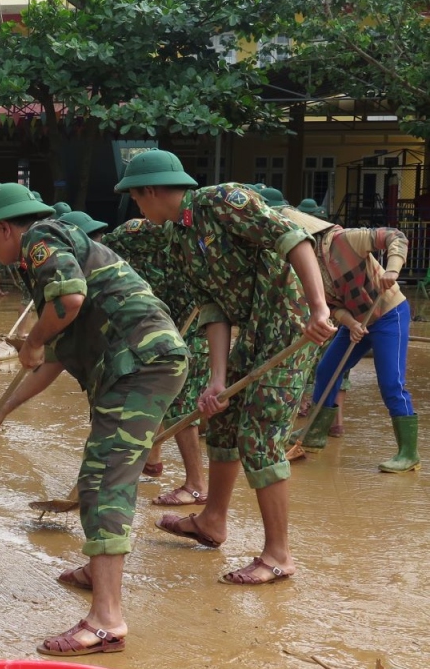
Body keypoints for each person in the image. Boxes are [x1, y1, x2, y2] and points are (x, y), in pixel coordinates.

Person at [0, 184, 188, 656]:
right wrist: (3, 410)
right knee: (101, 474)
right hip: (140, 364)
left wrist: (30, 339)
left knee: (104, 482)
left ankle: (106, 621)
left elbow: (67, 303)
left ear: (6, 227)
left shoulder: (41, 238)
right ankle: (98, 574)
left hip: (139, 363)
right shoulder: (52, 256)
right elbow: (55, 358)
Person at [116, 150, 335, 585]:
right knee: (220, 416)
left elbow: (295, 240)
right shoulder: (177, 239)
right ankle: (212, 519)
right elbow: (213, 308)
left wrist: (318, 308)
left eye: (136, 199)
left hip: (289, 324)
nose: (136, 208)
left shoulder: (224, 200)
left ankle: (278, 555)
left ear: (152, 191)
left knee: (260, 429)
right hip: (251, 331)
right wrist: (217, 379)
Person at [286, 210, 417, 471]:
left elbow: (395, 237)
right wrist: (352, 324)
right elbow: (332, 307)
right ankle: (314, 435)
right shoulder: (307, 269)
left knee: (391, 383)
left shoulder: (345, 240)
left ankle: (408, 453)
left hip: (389, 314)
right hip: (357, 320)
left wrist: (392, 270)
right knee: (327, 370)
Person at [102, 217, 210, 506]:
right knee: (155, 388)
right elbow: (107, 254)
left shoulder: (201, 238)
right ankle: (153, 458)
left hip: (192, 330)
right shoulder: (134, 232)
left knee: (182, 408)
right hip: (154, 327)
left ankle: (196, 485)